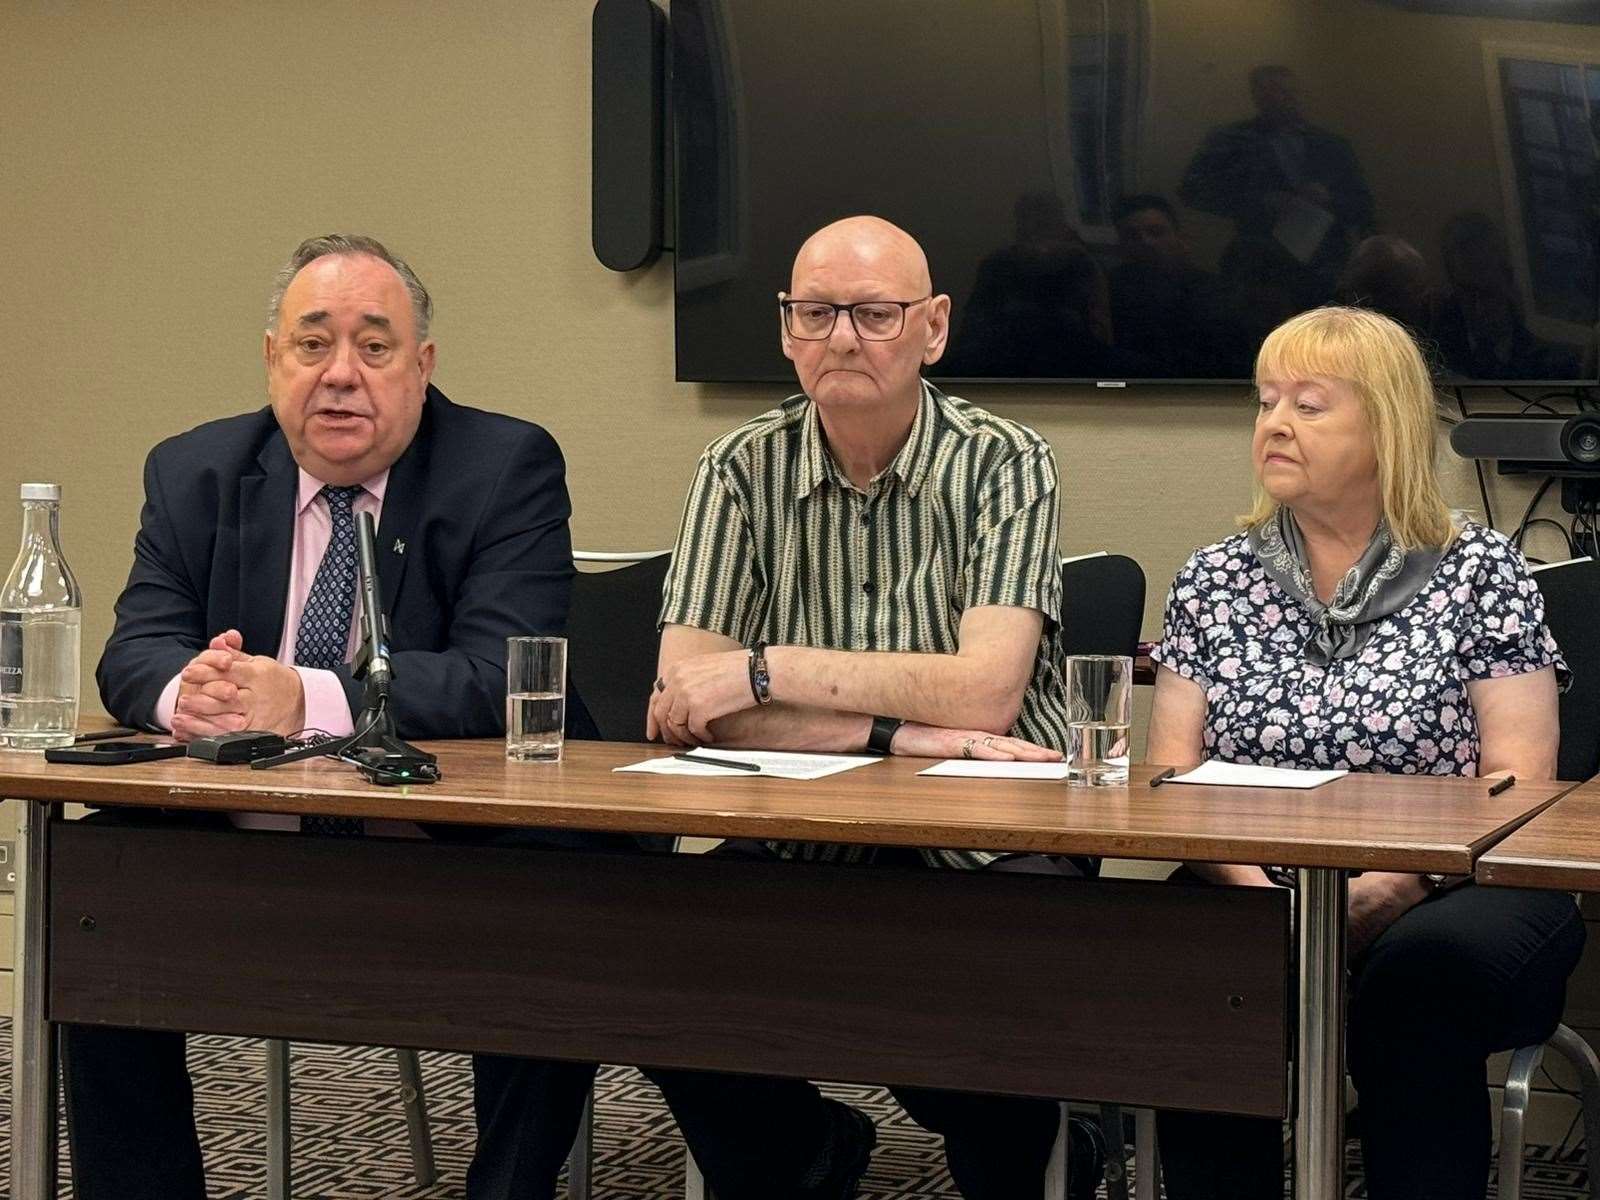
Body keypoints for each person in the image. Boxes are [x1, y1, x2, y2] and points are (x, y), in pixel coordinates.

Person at [72, 234, 600, 1200]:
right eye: (313, 346)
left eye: (374, 346)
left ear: (424, 366)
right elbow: (133, 649)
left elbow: (502, 676)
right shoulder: (195, 470)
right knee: (98, 880)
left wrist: (305, 700)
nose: (340, 375)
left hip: (448, 848)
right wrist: (189, 690)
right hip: (243, 848)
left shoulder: (504, 465)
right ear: (273, 359)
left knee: (560, 893)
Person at [644, 215, 1102, 1200]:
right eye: (815, 314)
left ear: (933, 328)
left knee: (980, 1008)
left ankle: (1032, 1152)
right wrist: (895, 729)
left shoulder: (1005, 462)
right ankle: (807, 1156)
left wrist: (763, 671)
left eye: (873, 314)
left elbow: (986, 690)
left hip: (987, 834)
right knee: (655, 965)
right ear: (783, 329)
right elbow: (688, 698)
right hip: (800, 827)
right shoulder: (737, 469)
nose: (842, 338)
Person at [1146, 305, 1585, 1199]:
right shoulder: (1213, 576)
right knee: (1196, 961)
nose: (1274, 423)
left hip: (1459, 884)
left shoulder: (1481, 572)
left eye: (1309, 405)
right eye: (1267, 401)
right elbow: (1173, 780)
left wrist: (1396, 885)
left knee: (1416, 983)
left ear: (1385, 425)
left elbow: (1518, 785)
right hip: (1250, 877)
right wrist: (1259, 891)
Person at [1181, 65, 1374, 294]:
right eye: (1271, 91)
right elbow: (1192, 190)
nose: (1283, 98)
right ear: (1256, 96)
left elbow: (1362, 206)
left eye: (1289, 91)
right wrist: (1263, 201)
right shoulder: (1231, 141)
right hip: (1257, 264)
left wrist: (1328, 198)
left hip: (1324, 266)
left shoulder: (1332, 145)